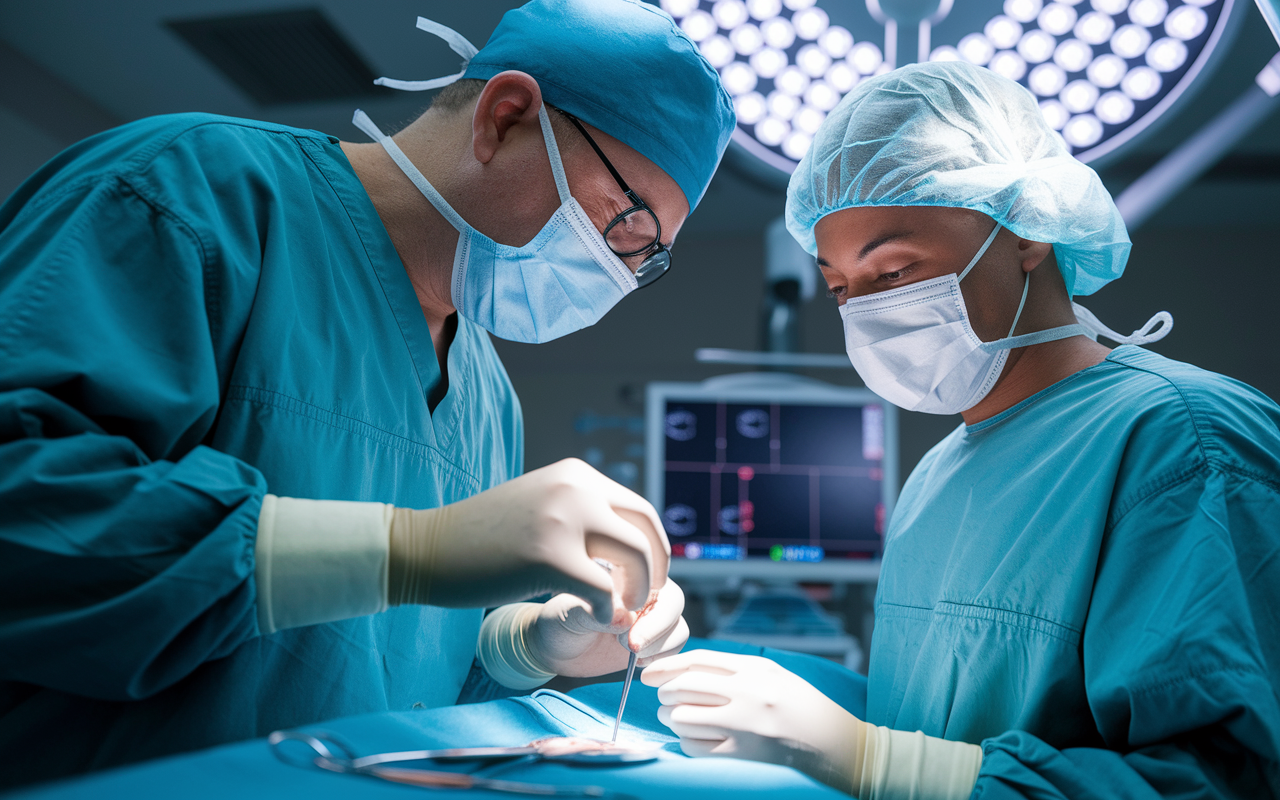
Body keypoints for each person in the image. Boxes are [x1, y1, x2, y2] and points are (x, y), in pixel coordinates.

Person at [0, 0, 734, 787]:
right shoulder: (188, 193)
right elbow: (28, 512)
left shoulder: (488, 398)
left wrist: (525, 647)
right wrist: (409, 552)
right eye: (623, 224)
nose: (621, 271)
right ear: (506, 115)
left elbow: (410, 669)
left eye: (648, 256)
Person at [643, 61, 1280, 799]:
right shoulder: (936, 477)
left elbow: (1230, 781)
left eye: (893, 272)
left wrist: (882, 764)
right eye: (841, 286)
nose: (865, 310)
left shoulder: (1185, 442)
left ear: (1028, 230)